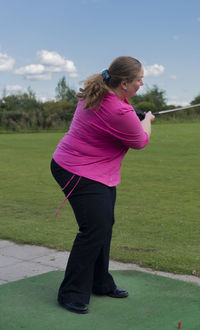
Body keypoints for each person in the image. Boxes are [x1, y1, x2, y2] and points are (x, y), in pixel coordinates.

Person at [50, 56, 155, 314]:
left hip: (97, 171)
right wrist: (147, 120)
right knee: (94, 228)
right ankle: (71, 293)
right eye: (139, 79)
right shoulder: (118, 110)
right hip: (76, 169)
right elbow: (140, 140)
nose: (142, 83)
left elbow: (118, 115)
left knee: (103, 225)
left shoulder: (101, 94)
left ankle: (100, 282)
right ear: (123, 83)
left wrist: (136, 115)